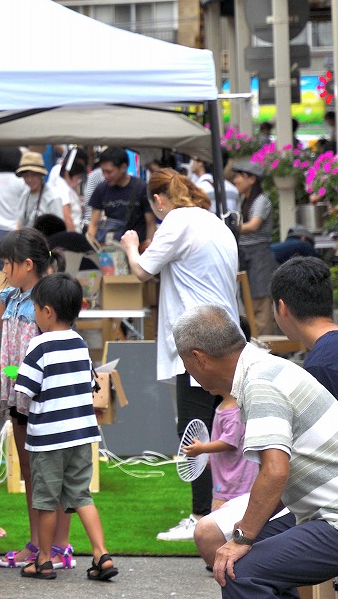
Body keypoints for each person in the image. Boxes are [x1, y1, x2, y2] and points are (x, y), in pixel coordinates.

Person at [174, 303, 338, 598]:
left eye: (185, 364)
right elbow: (274, 475)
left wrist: (242, 536)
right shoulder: (264, 367)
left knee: (240, 572)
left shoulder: (259, 384)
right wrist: (243, 531)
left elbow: (275, 471)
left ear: (199, 358)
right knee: (240, 553)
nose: (189, 374)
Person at [118, 168, 238, 542]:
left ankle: (201, 515)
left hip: (196, 342)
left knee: (194, 430)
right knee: (226, 427)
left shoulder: (176, 221)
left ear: (158, 200)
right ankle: (224, 509)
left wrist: (130, 245)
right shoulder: (214, 222)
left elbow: (140, 271)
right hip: (227, 338)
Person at [0, 228, 72, 569]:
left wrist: (11, 374)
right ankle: (38, 542)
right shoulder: (10, 296)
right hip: (18, 397)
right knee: (30, 471)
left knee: (52, 473)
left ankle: (59, 546)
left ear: (27, 264)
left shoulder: (49, 298)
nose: (4, 271)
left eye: (7, 264)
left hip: (47, 398)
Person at [14, 274, 117, 582]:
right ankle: (101, 553)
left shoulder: (39, 345)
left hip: (48, 439)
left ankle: (44, 559)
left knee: (46, 500)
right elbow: (88, 384)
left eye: (34, 308)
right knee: (81, 495)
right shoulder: (80, 344)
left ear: (47, 311)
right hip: (81, 436)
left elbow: (25, 391)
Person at [184, 393, 256, 511]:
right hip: (225, 482)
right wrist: (211, 458)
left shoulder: (233, 412)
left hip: (234, 485)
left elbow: (229, 442)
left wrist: (202, 448)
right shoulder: (224, 407)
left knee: (223, 520)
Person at [230, 160, 279, 334]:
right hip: (246, 256)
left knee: (261, 305)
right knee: (249, 302)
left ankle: (266, 349)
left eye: (239, 176)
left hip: (259, 256)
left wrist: (228, 227)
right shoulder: (244, 200)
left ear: (252, 179)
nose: (235, 180)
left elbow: (253, 225)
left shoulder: (261, 200)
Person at [86, 147, 155, 246]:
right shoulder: (101, 189)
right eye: (103, 171)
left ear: (123, 167)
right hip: (110, 250)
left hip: (136, 249)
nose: (105, 175)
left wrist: (148, 249)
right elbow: (93, 223)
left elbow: (150, 223)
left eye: (109, 172)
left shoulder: (141, 188)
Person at [14, 150, 65, 231]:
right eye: (26, 176)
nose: (30, 179)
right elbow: (19, 223)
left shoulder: (52, 198)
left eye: (33, 175)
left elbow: (59, 228)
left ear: (41, 175)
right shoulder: (25, 196)